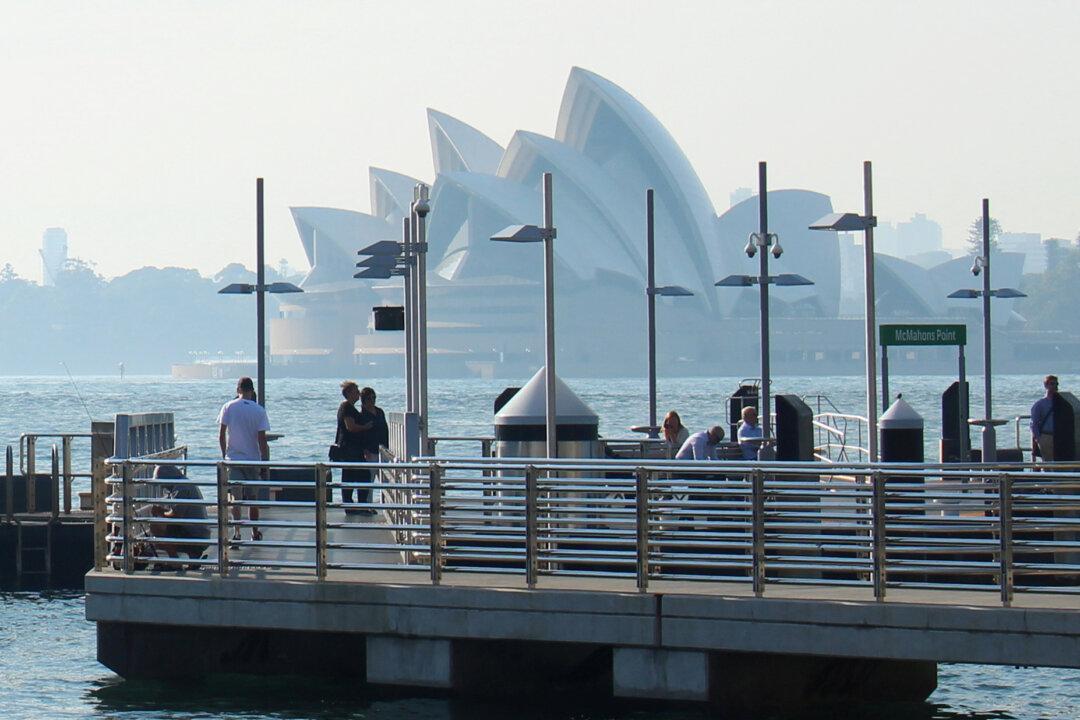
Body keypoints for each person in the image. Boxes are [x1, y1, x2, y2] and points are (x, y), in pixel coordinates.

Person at [217, 377, 270, 541]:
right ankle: (254, 532)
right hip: (252, 460)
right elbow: (262, 440)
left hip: (233, 459)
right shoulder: (259, 410)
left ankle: (237, 532)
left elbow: (221, 435)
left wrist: (224, 455)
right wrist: (264, 463)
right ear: (252, 391)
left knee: (235, 498)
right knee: (253, 499)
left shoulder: (228, 407)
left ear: (237, 390)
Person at [149, 464, 210, 565]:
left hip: (196, 536)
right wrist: (163, 511)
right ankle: (193, 556)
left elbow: (176, 516)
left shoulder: (181, 488)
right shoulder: (184, 483)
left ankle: (175, 562)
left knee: (155, 526)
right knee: (164, 528)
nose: (162, 486)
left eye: (162, 482)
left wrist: (160, 512)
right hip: (201, 533)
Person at [336, 380, 373, 510]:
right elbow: (350, 427)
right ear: (349, 393)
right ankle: (356, 505)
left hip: (353, 448)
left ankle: (353, 505)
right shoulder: (347, 408)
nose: (358, 394)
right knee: (360, 476)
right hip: (350, 449)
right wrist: (365, 427)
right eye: (356, 391)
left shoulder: (349, 407)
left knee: (352, 476)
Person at [1030, 374, 1059, 461]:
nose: (1054, 386)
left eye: (1056, 384)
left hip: (1059, 436)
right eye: (1052, 384)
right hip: (1046, 435)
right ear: (1046, 385)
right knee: (1047, 462)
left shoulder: (1061, 403)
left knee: (1060, 461)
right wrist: (1039, 439)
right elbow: (1034, 423)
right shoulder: (1040, 404)